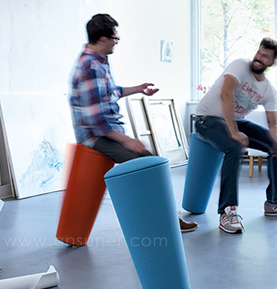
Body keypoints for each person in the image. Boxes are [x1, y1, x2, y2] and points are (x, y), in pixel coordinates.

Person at [69, 13, 197, 233]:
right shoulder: (90, 67)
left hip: (106, 132)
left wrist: (138, 89)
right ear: (103, 39)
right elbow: (96, 121)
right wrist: (127, 141)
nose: (117, 42)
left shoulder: (99, 61)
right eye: (115, 38)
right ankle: (164, 222)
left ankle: (166, 218)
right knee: (147, 166)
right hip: (96, 136)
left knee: (152, 162)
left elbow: (111, 92)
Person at [194, 37, 277, 234]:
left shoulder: (268, 90)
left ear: (272, 63)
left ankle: (275, 202)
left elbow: (274, 122)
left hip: (235, 120)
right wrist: (234, 131)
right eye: (259, 53)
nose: (259, 58)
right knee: (234, 146)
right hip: (207, 118)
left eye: (265, 56)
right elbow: (226, 94)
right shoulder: (240, 66)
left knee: (275, 146)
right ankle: (227, 211)